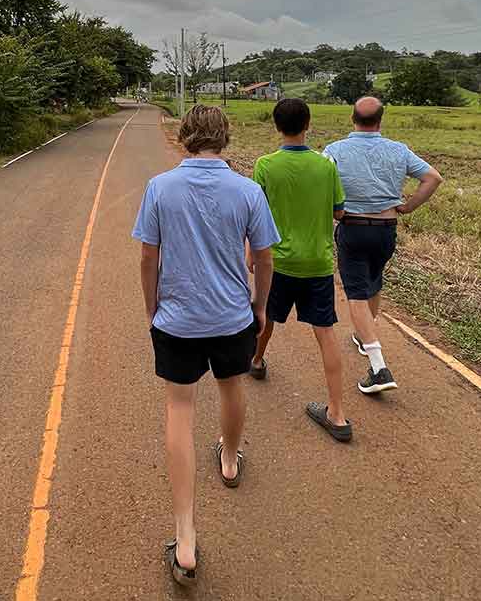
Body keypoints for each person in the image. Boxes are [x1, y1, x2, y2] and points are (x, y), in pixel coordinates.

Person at [132, 104, 279, 586]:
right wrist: (259, 307)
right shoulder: (247, 190)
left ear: (186, 136)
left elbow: (148, 258)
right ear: (225, 138)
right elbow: (263, 257)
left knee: (179, 410)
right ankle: (231, 459)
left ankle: (186, 537)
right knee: (232, 389)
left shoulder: (160, 187)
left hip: (178, 319)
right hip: (232, 316)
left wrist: (153, 308)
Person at [322, 96, 443, 395]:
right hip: (387, 228)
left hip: (353, 226)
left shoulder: (334, 150)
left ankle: (378, 367)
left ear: (352, 118)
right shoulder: (398, 150)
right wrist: (408, 206)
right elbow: (432, 177)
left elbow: (320, 181)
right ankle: (365, 335)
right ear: (380, 120)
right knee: (373, 282)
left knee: (356, 293)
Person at [248, 98, 352, 443]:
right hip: (318, 263)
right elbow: (339, 212)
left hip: (277, 262)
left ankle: (258, 360)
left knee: (266, 316)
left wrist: (250, 254)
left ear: (276, 125)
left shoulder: (265, 165)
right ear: (308, 123)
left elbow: (256, 217)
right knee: (325, 333)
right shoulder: (326, 166)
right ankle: (337, 414)